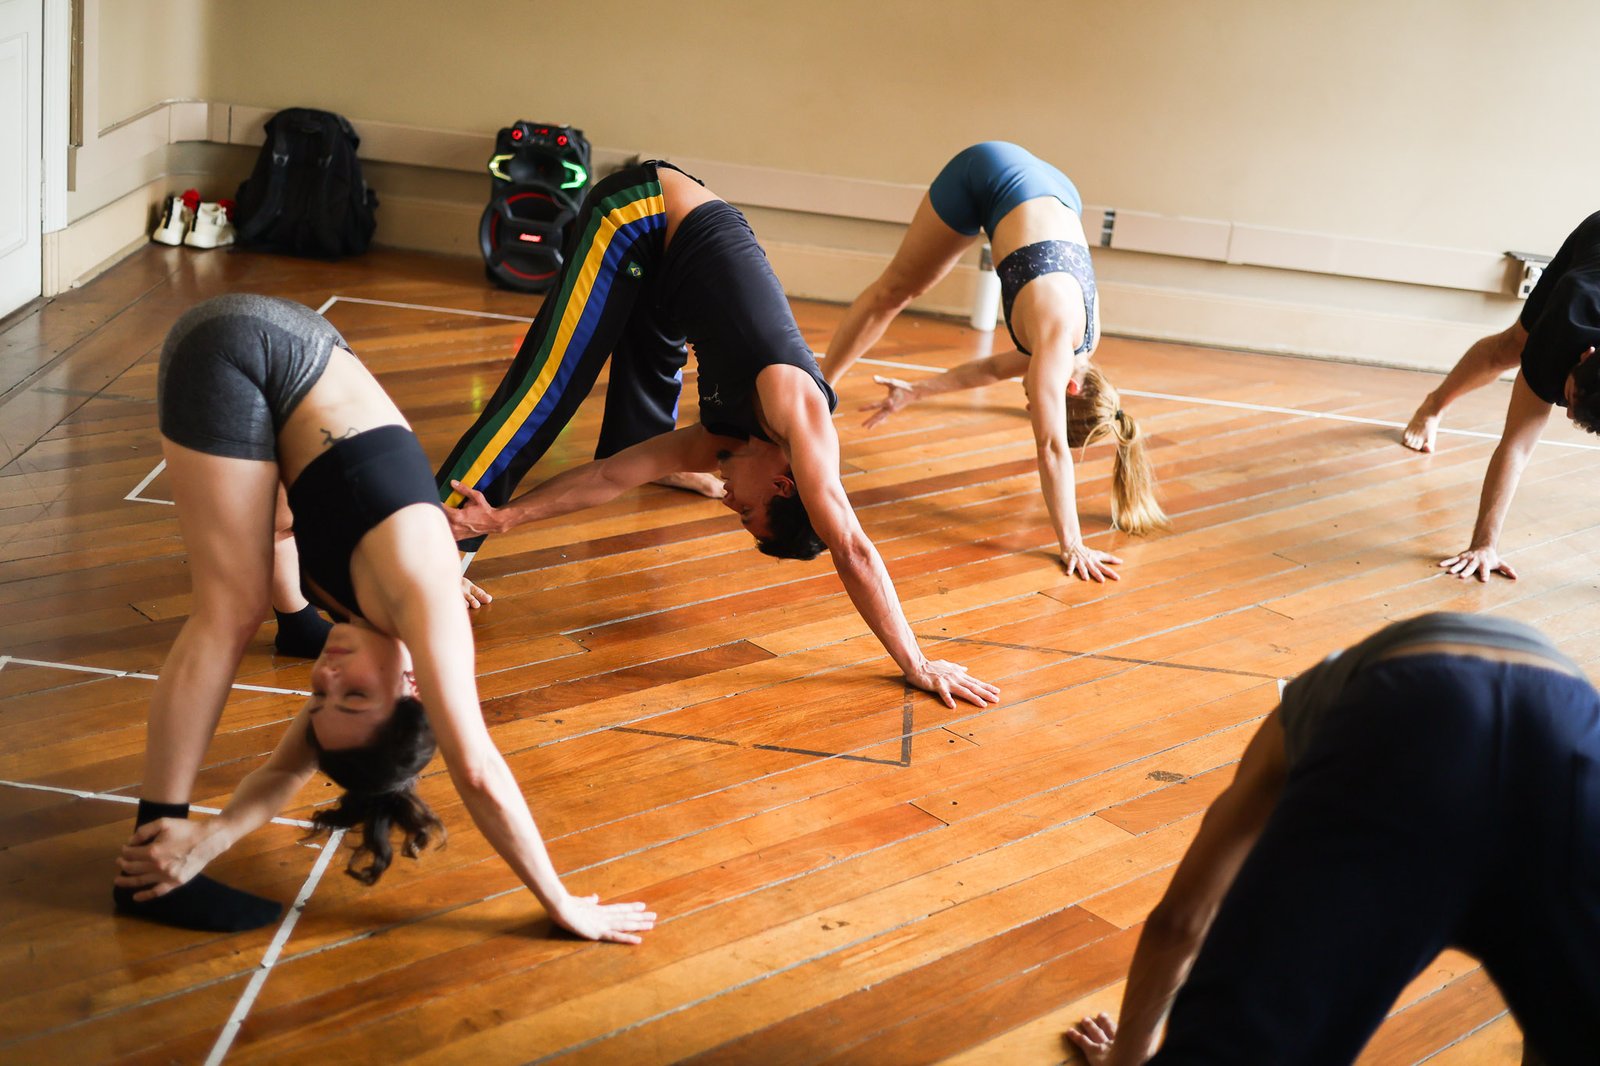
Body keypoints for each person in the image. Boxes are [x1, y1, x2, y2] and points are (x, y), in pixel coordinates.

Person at [112, 294, 654, 944]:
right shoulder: (426, 605)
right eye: (356, 693)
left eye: (320, 693)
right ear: (413, 684)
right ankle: (151, 866)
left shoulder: (376, 633)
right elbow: (477, 770)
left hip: (281, 350)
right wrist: (560, 899)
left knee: (272, 546)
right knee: (230, 610)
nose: (329, 675)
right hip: (246, 347)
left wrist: (213, 836)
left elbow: (287, 769)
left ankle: (290, 629)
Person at [436, 159, 1000, 710]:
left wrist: (503, 518)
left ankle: (469, 525)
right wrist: (916, 662)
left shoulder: (727, 440)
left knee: (632, 438)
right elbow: (852, 548)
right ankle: (431, 551)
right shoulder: (799, 414)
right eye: (746, 510)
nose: (731, 502)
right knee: (546, 393)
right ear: (784, 487)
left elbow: (612, 474)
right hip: (645, 212)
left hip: (670, 272)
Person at [1064, 613, 1600, 1065]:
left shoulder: (1305, 708)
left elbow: (1182, 919)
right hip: (1572, 733)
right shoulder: (1331, 693)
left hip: (1409, 713)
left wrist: (1128, 1057)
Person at [821, 142, 1167, 582]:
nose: (1030, 407)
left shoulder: (1084, 341)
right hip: (988, 171)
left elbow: (987, 370)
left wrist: (916, 391)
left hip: (1059, 191)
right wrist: (1072, 542)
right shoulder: (1054, 346)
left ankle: (820, 390)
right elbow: (1052, 448)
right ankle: (817, 391)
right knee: (896, 290)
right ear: (1070, 390)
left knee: (909, 288)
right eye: (1037, 409)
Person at [1401, 211, 1600, 580]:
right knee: (1510, 347)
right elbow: (1516, 447)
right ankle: (1433, 405)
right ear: (1584, 355)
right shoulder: (1562, 330)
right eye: (1570, 399)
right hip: (1594, 248)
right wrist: (1483, 544)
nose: (1568, 416)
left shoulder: (1584, 364)